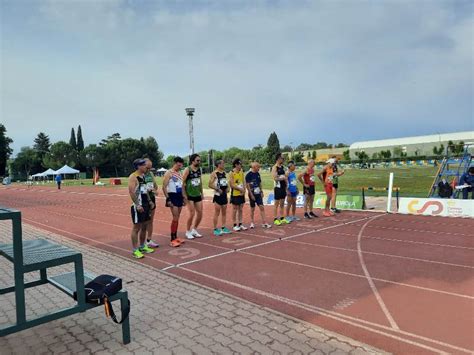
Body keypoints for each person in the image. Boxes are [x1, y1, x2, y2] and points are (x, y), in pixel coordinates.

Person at [128, 159, 155, 259]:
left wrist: (150, 201)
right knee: (136, 228)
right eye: (144, 165)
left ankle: (142, 246)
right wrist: (138, 205)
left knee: (144, 226)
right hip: (138, 205)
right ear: (139, 166)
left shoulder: (143, 176)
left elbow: (145, 191)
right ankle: (135, 250)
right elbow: (131, 192)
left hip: (146, 204)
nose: (146, 167)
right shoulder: (133, 177)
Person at [162, 156, 187, 247]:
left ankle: (175, 237)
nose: (180, 165)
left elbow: (182, 186)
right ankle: (172, 238)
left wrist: (184, 197)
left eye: (181, 163)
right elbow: (164, 187)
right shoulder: (169, 173)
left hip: (179, 196)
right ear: (175, 163)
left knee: (177, 218)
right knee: (175, 218)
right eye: (178, 163)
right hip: (172, 196)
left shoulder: (180, 173)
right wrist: (168, 199)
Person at [183, 154, 204, 240]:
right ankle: (187, 231)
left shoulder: (199, 169)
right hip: (189, 194)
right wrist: (184, 195)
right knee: (192, 213)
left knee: (200, 213)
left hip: (197, 194)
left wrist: (201, 192)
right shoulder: (187, 169)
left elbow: (200, 181)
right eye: (197, 160)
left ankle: (194, 230)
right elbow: (182, 182)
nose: (199, 162)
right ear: (192, 161)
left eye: (199, 160)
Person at [209, 159, 232, 236]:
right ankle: (215, 229)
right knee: (217, 212)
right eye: (223, 163)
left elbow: (226, 182)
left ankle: (223, 227)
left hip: (224, 195)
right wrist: (217, 189)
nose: (224, 165)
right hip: (218, 195)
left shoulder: (225, 173)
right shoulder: (214, 173)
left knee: (224, 212)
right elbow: (210, 184)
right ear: (218, 165)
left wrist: (228, 188)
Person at [245, 162, 272, 229]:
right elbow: (247, 185)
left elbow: (259, 183)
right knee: (252, 209)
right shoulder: (248, 175)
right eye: (258, 167)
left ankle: (264, 222)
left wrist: (261, 191)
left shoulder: (257, 174)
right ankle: (252, 222)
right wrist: (251, 195)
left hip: (258, 193)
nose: (259, 168)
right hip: (252, 194)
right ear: (254, 167)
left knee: (261, 207)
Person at [143, 159, 159, 248]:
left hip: (152, 198)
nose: (148, 170)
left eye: (150, 168)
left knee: (150, 220)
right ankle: (142, 242)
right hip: (144, 199)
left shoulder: (151, 174)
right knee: (143, 222)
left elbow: (155, 185)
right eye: (147, 168)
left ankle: (149, 239)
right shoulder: (139, 175)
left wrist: (154, 190)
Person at [272, 153, 290, 226]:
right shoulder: (274, 167)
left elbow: (285, 176)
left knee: (282, 203)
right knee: (276, 204)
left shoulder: (282, 167)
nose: (283, 159)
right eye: (282, 158)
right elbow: (274, 178)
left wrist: (286, 184)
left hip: (283, 187)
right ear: (278, 159)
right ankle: (275, 219)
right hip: (277, 187)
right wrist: (282, 178)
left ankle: (282, 218)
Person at [229, 158, 247, 231]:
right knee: (234, 209)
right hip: (235, 194)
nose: (241, 165)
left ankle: (240, 224)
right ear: (236, 165)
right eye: (239, 164)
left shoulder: (241, 172)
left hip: (241, 193)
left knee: (241, 209)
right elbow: (232, 185)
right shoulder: (231, 173)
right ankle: (234, 225)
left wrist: (244, 190)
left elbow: (243, 182)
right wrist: (240, 189)